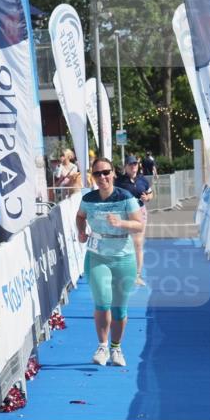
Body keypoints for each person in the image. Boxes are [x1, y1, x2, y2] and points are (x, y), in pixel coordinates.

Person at [76, 157, 144, 367]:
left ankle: (116, 348)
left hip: (123, 257)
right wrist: (81, 231)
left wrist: (121, 222)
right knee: (103, 301)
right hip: (97, 256)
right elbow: (80, 216)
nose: (102, 177)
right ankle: (102, 346)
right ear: (93, 176)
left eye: (106, 172)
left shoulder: (125, 197)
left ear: (113, 173)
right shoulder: (88, 198)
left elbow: (139, 225)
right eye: (97, 173)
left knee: (119, 309)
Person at [114, 155, 152, 286]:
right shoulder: (119, 181)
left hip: (140, 212)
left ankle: (137, 275)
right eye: (130, 164)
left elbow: (150, 193)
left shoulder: (142, 180)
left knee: (138, 243)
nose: (133, 166)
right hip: (124, 214)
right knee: (123, 243)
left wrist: (148, 198)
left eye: (135, 164)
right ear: (125, 167)